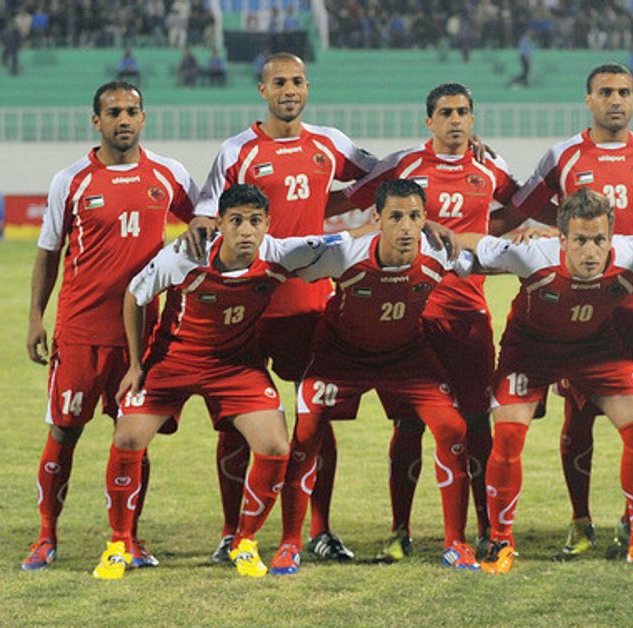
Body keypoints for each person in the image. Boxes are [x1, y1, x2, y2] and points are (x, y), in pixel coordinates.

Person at [193, 52, 377, 565]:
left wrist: (453, 147)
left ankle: (320, 530)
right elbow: (209, 212)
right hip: (248, 308)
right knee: (234, 422)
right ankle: (233, 532)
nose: (289, 90)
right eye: (279, 82)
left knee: (315, 419)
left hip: (310, 304)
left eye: (297, 81)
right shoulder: (238, 150)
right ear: (262, 89)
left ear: (307, 86)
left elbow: (387, 172)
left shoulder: (330, 142)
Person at [93, 184, 332, 579]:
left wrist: (414, 227)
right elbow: (135, 295)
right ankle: (119, 543)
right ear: (219, 223)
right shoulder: (185, 256)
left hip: (236, 366)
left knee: (275, 447)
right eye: (236, 221)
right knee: (127, 439)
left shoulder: (280, 254)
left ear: (268, 225)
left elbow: (344, 243)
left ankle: (245, 541)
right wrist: (136, 365)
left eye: (255, 222)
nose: (246, 231)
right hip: (174, 361)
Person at [339, 83, 522, 560]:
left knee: (478, 421)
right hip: (415, 314)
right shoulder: (405, 166)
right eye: (446, 113)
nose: (456, 120)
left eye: (463, 112)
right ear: (430, 121)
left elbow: (522, 207)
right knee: (408, 424)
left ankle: (484, 526)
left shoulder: (490, 167)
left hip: (468, 314)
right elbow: (356, 204)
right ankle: (400, 530)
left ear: (472, 119)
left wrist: (474, 239)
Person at [512, 63, 633, 556]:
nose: (616, 100)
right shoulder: (563, 154)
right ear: (588, 99)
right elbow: (519, 203)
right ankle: (580, 519)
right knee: (580, 416)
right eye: (606, 92)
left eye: (625, 92)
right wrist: (551, 231)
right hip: (580, 309)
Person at [23, 81, 198, 571]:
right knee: (64, 432)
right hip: (80, 332)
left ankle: (127, 539)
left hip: (142, 338)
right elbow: (48, 253)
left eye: (132, 111)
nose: (124, 119)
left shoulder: (170, 174)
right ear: (96, 121)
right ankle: (45, 536)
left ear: (144, 119)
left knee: (134, 439)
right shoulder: (71, 180)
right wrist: (38, 318)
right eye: (114, 112)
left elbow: (204, 224)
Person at [271, 179, 480, 575]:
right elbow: (286, 258)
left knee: (453, 428)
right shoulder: (345, 255)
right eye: (396, 217)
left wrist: (543, 239)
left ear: (426, 220)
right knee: (306, 433)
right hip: (339, 356)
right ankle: (289, 544)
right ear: (377, 218)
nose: (405, 227)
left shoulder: (440, 253)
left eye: (415, 217)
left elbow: (491, 256)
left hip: (406, 356)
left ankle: (456, 544)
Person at [469, 188, 633, 574]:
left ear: (612, 238)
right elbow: (472, 245)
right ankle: (500, 542)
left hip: (596, 348)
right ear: (561, 239)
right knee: (508, 436)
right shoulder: (531, 254)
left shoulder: (632, 255)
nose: (591, 251)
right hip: (530, 350)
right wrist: (434, 228)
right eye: (580, 240)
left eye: (599, 240)